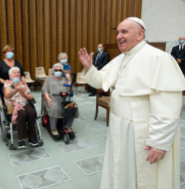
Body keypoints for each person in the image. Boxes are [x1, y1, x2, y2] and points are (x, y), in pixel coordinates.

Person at [78, 17, 185, 189]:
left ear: (140, 34)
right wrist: (90, 69)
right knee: (122, 173)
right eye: (117, 32)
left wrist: (160, 141)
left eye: (124, 32)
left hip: (145, 131)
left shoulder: (159, 58)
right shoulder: (121, 59)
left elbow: (168, 105)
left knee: (146, 178)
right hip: (120, 127)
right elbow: (102, 81)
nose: (119, 36)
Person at [3, 67, 38, 149]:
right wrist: (15, 90)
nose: (17, 74)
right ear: (10, 75)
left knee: (31, 112)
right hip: (13, 105)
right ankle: (21, 139)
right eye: (14, 72)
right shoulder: (7, 84)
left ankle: (32, 138)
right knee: (22, 114)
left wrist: (24, 94)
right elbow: (7, 95)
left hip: (24, 103)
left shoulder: (23, 83)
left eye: (18, 72)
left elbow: (30, 97)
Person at [42, 63, 78, 139]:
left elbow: (70, 91)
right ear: (53, 71)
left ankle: (68, 126)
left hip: (64, 98)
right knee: (54, 107)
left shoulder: (64, 78)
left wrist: (69, 79)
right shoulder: (48, 79)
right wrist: (48, 98)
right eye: (56, 70)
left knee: (73, 106)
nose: (58, 71)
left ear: (62, 71)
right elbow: (44, 90)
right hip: (53, 98)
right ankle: (53, 128)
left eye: (60, 70)